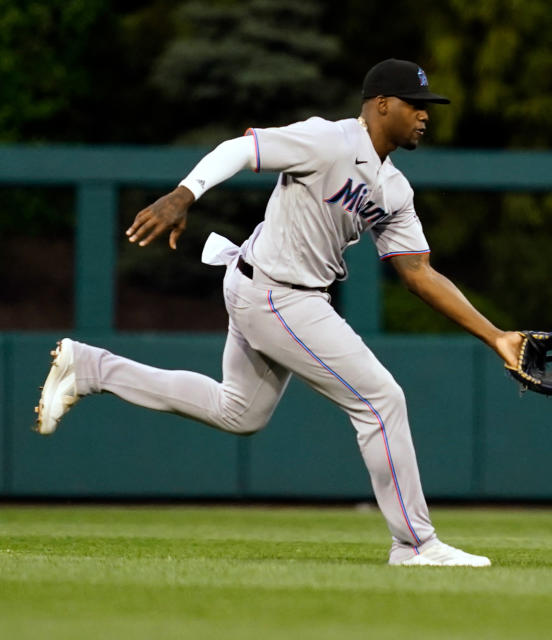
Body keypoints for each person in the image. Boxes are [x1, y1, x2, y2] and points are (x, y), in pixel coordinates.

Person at [33, 58, 524, 567]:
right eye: (415, 105)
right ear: (382, 105)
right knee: (381, 401)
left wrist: (496, 336)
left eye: (428, 108)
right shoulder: (327, 140)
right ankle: (416, 545)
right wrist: (184, 194)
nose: (425, 115)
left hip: (271, 289)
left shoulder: (394, 190)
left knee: (239, 412)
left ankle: (91, 368)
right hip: (278, 293)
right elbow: (240, 148)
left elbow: (419, 273)